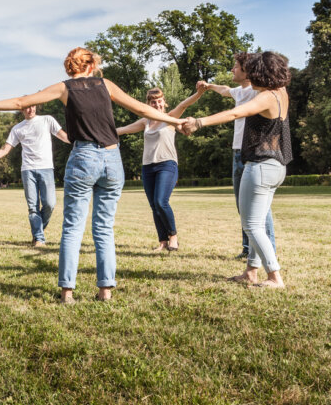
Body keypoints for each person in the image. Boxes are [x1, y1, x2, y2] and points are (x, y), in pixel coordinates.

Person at [0, 47, 183, 302]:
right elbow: (142, 109)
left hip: (84, 156)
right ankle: (105, 291)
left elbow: (20, 102)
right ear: (91, 65)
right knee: (104, 228)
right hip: (112, 158)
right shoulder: (105, 85)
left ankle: (67, 293)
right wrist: (176, 121)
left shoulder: (65, 88)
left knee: (73, 227)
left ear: (69, 67)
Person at [182, 52, 291, 288]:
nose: (250, 75)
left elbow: (234, 113)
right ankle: (251, 272)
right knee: (256, 222)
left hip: (260, 166)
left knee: (251, 225)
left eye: (252, 71)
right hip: (276, 165)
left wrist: (199, 122)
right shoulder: (281, 93)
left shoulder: (266, 97)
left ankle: (274, 277)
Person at [198, 52, 276, 258]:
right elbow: (225, 90)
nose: (232, 69)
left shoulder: (258, 92)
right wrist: (209, 86)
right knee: (243, 205)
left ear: (247, 71)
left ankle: (268, 249)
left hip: (253, 153)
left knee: (259, 206)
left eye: (235, 66)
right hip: (237, 153)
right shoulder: (240, 92)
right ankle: (248, 249)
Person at [115, 84, 205, 252]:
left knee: (160, 201)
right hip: (148, 167)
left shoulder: (170, 118)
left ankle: (173, 237)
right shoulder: (146, 121)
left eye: (159, 101)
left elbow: (184, 104)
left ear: (164, 102)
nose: (157, 104)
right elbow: (124, 130)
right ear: (148, 104)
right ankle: (162, 241)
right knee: (154, 206)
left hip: (167, 164)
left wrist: (199, 93)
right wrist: (100, 132)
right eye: (153, 102)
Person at [0, 105, 69, 247]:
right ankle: (39, 238)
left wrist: (83, 140)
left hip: (46, 168)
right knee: (33, 207)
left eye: (32, 106)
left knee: (50, 204)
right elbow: (4, 149)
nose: (30, 110)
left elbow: (64, 136)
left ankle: (37, 231)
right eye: (27, 108)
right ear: (21, 110)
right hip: (27, 170)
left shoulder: (47, 120)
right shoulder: (17, 128)